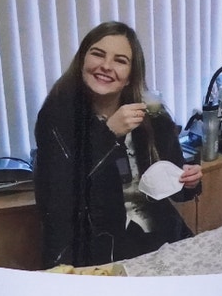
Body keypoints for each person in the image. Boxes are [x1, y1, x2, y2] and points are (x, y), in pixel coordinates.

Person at [34, 21, 202, 268]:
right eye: (98, 54)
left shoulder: (153, 117)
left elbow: (174, 188)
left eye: (120, 60)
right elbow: (60, 199)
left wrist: (190, 181)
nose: (106, 66)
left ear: (130, 77)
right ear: (82, 60)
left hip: (158, 236)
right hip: (96, 245)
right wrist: (108, 134)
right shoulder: (57, 116)